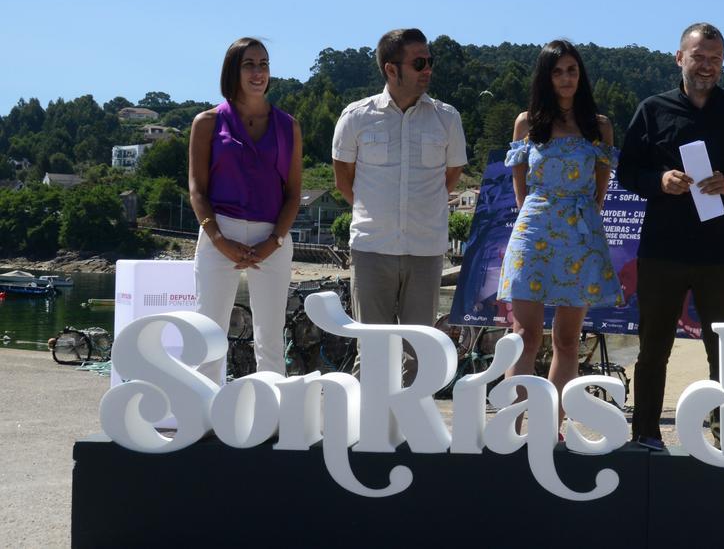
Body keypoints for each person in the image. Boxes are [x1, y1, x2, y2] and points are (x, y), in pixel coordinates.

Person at [617, 22, 724, 449]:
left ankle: (723, 435)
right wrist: (659, 180)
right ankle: (646, 433)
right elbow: (627, 172)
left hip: (721, 253)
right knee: (653, 351)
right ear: (679, 58)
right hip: (662, 251)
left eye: (715, 59)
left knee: (723, 352)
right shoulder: (652, 109)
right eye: (698, 57)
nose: (707, 66)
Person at [497, 40, 623, 426]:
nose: (566, 78)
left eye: (572, 70)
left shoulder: (598, 127)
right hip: (533, 228)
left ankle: (551, 428)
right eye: (557, 71)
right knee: (524, 335)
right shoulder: (527, 122)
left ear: (580, 74)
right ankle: (513, 427)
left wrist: (575, 219)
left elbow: (600, 192)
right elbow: (521, 193)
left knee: (567, 340)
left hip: (580, 235)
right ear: (545, 77)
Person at [332, 28, 468, 382]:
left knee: (417, 352)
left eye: (429, 61)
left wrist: (422, 209)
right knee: (371, 349)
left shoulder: (447, 118)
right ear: (391, 70)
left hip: (425, 250)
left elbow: (450, 177)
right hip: (372, 247)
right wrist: (377, 211)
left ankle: (407, 436)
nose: (428, 69)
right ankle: (363, 433)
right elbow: (344, 181)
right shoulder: (356, 117)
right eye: (419, 62)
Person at [189, 37, 302, 384]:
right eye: (249, 64)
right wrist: (219, 239)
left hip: (272, 237)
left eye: (264, 64)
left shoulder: (289, 126)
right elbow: (197, 189)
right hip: (219, 232)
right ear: (232, 71)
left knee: (270, 335)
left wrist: (275, 241)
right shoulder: (206, 122)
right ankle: (202, 415)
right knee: (209, 331)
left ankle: (274, 418)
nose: (258, 72)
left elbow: (294, 194)